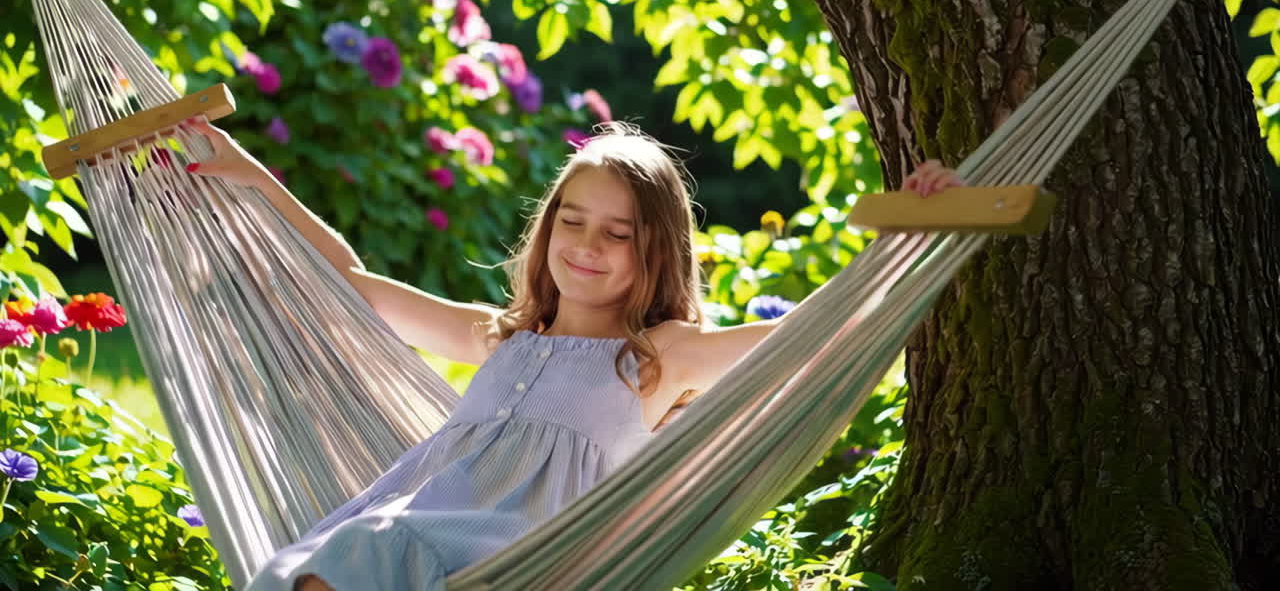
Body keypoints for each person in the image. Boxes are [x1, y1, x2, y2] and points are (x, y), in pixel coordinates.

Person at [180, 118, 964, 591]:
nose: (587, 246)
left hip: (517, 559)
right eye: (572, 222)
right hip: (406, 533)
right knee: (309, 562)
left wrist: (905, 247)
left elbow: (811, 339)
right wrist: (253, 179)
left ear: (658, 252)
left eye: (617, 233)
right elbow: (351, 286)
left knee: (366, 551)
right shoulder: (506, 337)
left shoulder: (657, 357)